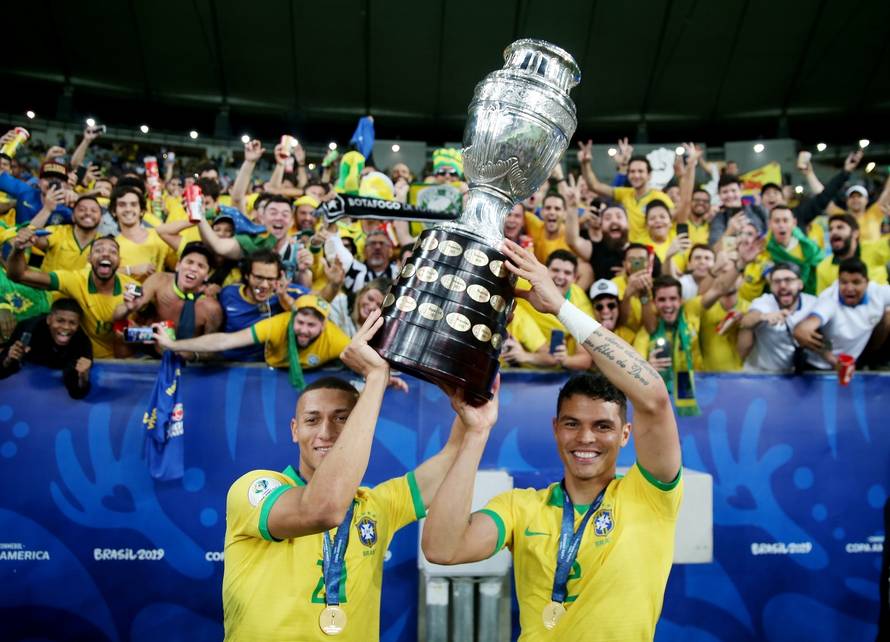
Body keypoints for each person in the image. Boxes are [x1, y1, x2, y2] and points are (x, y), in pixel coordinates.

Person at [422, 238, 681, 640]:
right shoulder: (521, 508)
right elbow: (442, 548)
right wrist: (476, 432)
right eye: (573, 424)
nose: (586, 438)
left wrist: (561, 307)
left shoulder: (650, 495)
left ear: (626, 434)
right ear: (556, 428)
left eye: (603, 426)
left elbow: (654, 397)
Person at [222, 310, 478, 640]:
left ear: (360, 424)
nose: (326, 432)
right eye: (313, 420)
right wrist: (376, 379)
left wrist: (475, 409)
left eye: (342, 418)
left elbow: (451, 455)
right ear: (294, 430)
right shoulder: (255, 489)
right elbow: (322, 509)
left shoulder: (377, 505)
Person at [7, 233, 136, 358]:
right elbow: (19, 275)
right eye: (98, 250)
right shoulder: (74, 280)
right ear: (89, 258)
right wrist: (18, 249)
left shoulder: (133, 288)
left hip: (123, 364)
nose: (106, 254)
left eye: (112, 252)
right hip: (83, 360)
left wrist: (135, 331)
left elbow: (151, 327)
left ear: (120, 261)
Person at [154, 293, 349, 372]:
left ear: (323, 326)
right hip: (272, 370)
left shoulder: (336, 339)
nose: (304, 330)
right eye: (300, 322)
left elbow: (367, 361)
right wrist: (173, 345)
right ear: (291, 318)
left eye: (311, 325)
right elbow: (224, 341)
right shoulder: (277, 325)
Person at [113, 242, 223, 355]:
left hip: (188, 365)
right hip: (151, 351)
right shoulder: (159, 280)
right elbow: (116, 316)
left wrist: (179, 353)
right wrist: (128, 308)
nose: (193, 268)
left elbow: (212, 352)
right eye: (189, 262)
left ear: (206, 275)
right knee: (121, 335)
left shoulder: (212, 308)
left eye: (201, 266)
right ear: (178, 265)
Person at [792, 258, 890, 369]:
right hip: (820, 366)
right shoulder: (828, 299)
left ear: (867, 282)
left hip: (855, 360)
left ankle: (877, 363)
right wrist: (833, 360)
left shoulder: (878, 292)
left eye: (856, 282)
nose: (849, 288)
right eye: (844, 282)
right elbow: (802, 330)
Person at [218, 250, 309, 361]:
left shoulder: (286, 291)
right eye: (258, 277)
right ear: (247, 275)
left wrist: (334, 284)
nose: (264, 285)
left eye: (270, 279)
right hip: (230, 362)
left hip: (269, 363)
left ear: (278, 278)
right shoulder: (228, 293)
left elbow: (320, 300)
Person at [578, 142, 674, 243]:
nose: (636, 175)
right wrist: (585, 164)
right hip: (629, 252)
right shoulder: (625, 194)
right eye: (632, 171)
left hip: (651, 252)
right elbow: (594, 186)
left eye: (640, 171)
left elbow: (676, 219)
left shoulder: (660, 197)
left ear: (649, 175)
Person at [0, 298, 92, 399]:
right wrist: (8, 359)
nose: (66, 327)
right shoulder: (28, 331)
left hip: (61, 367)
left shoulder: (82, 343)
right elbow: (4, 370)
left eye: (72, 323)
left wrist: (83, 377)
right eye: (60, 321)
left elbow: (77, 392)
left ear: (78, 325)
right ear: (49, 319)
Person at [738, 263, 817, 373]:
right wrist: (763, 316)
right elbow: (747, 320)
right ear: (770, 286)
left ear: (800, 284)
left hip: (798, 375)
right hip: (763, 374)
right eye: (776, 281)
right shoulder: (764, 302)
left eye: (788, 280)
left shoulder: (813, 304)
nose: (783, 285)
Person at [27, 193, 101, 273]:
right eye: (82, 210)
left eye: (94, 211)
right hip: (48, 284)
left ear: (101, 218)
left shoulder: (103, 242)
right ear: (72, 216)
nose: (88, 213)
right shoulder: (58, 232)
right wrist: (47, 209)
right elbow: (31, 236)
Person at [815, 214, 887, 293]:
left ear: (855, 233)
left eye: (840, 227)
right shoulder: (823, 267)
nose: (834, 232)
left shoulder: (874, 249)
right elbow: (823, 301)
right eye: (830, 229)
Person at [112, 186, 171, 281]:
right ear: (114, 211)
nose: (128, 209)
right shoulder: (111, 245)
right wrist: (130, 270)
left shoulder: (160, 236)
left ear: (142, 211)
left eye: (133, 204)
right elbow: (95, 274)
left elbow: (179, 264)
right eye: (122, 205)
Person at [708, 174, 769, 247]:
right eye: (725, 192)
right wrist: (729, 231)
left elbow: (772, 233)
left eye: (733, 190)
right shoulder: (718, 219)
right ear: (719, 195)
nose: (730, 195)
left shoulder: (757, 209)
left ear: (741, 190)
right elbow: (713, 249)